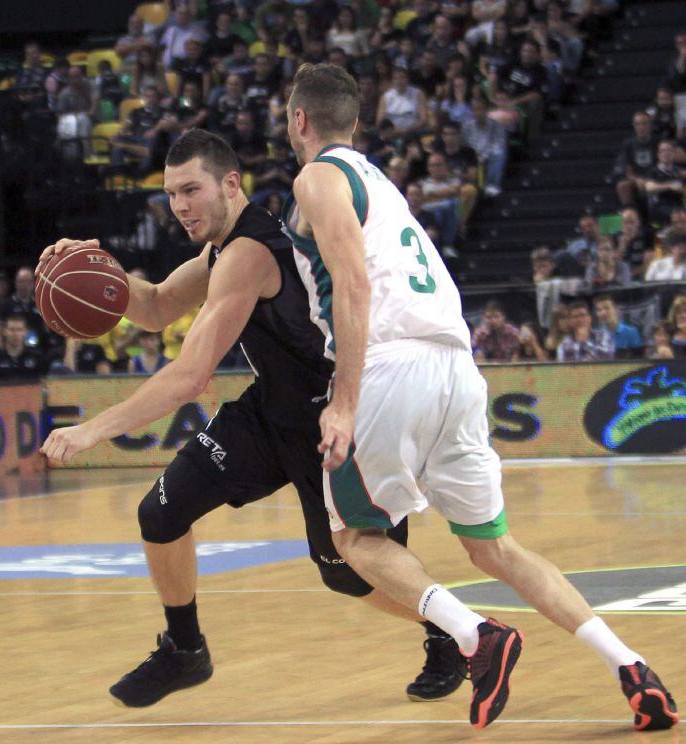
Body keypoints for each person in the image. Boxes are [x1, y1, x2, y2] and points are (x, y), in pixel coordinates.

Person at [281, 62, 678, 731]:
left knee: (351, 536)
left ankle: (473, 634)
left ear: (299, 120)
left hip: (388, 364)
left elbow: (352, 285)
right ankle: (629, 666)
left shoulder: (319, 176)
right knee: (496, 548)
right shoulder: (382, 186)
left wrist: (343, 401)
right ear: (357, 120)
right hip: (455, 367)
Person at [37, 130, 460, 711]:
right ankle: (185, 649)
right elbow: (158, 305)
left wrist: (91, 430)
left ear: (229, 184)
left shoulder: (251, 251)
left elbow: (189, 377)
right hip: (271, 411)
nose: (179, 206)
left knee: (347, 573)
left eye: (191, 190)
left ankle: (450, 629)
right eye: (170, 194)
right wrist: (99, 272)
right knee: (160, 512)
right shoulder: (220, 249)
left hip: (330, 419)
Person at [0, 314, 46, 382]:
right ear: (4, 331)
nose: (15, 334)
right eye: (11, 330)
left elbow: (46, 382)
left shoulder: (37, 357)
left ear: (26, 332)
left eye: (19, 330)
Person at [592, 294, 643, 359]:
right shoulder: (594, 336)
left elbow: (638, 359)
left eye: (607, 308)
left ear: (616, 310)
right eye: (599, 310)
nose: (603, 313)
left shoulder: (632, 333)